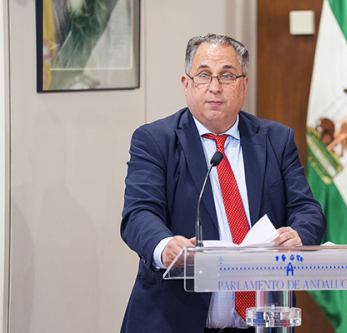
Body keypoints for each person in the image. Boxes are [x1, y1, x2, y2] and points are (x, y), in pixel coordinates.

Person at [120, 34, 327, 333]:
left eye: (227, 75)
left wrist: (299, 235)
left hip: (263, 322)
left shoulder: (276, 140)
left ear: (243, 86)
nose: (214, 87)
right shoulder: (154, 140)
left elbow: (306, 209)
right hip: (175, 320)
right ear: (186, 84)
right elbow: (139, 213)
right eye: (204, 75)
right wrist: (164, 246)